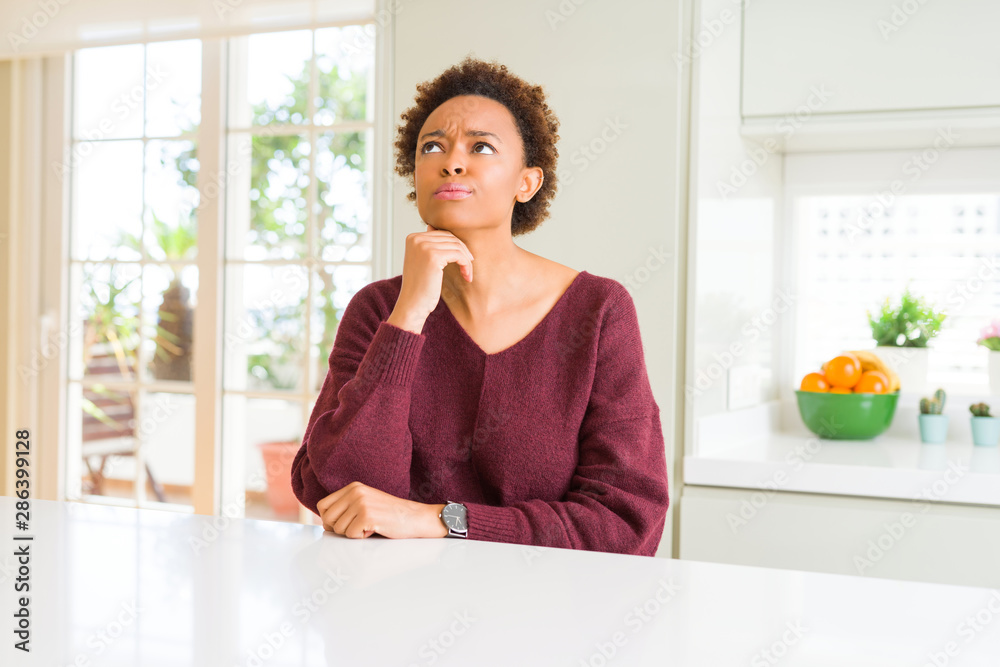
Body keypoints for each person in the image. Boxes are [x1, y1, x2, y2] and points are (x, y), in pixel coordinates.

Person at [290, 55, 670, 556]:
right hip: (395, 597)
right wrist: (408, 317)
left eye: (481, 146)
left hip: (549, 599)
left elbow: (625, 521)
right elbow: (339, 491)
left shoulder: (599, 311)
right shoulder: (379, 308)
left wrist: (441, 520)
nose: (451, 162)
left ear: (526, 183)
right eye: (432, 147)